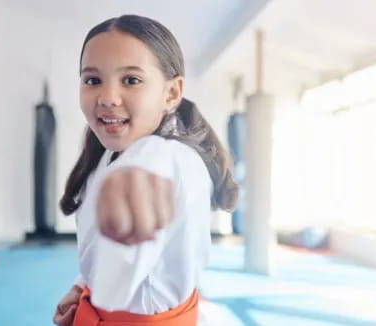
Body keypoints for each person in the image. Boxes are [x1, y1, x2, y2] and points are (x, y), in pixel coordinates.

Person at [52, 14, 238, 326]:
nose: (108, 98)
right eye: (93, 80)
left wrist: (135, 181)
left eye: (131, 80)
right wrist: (81, 285)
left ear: (172, 93)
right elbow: (102, 255)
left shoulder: (171, 156)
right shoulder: (106, 154)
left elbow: (153, 163)